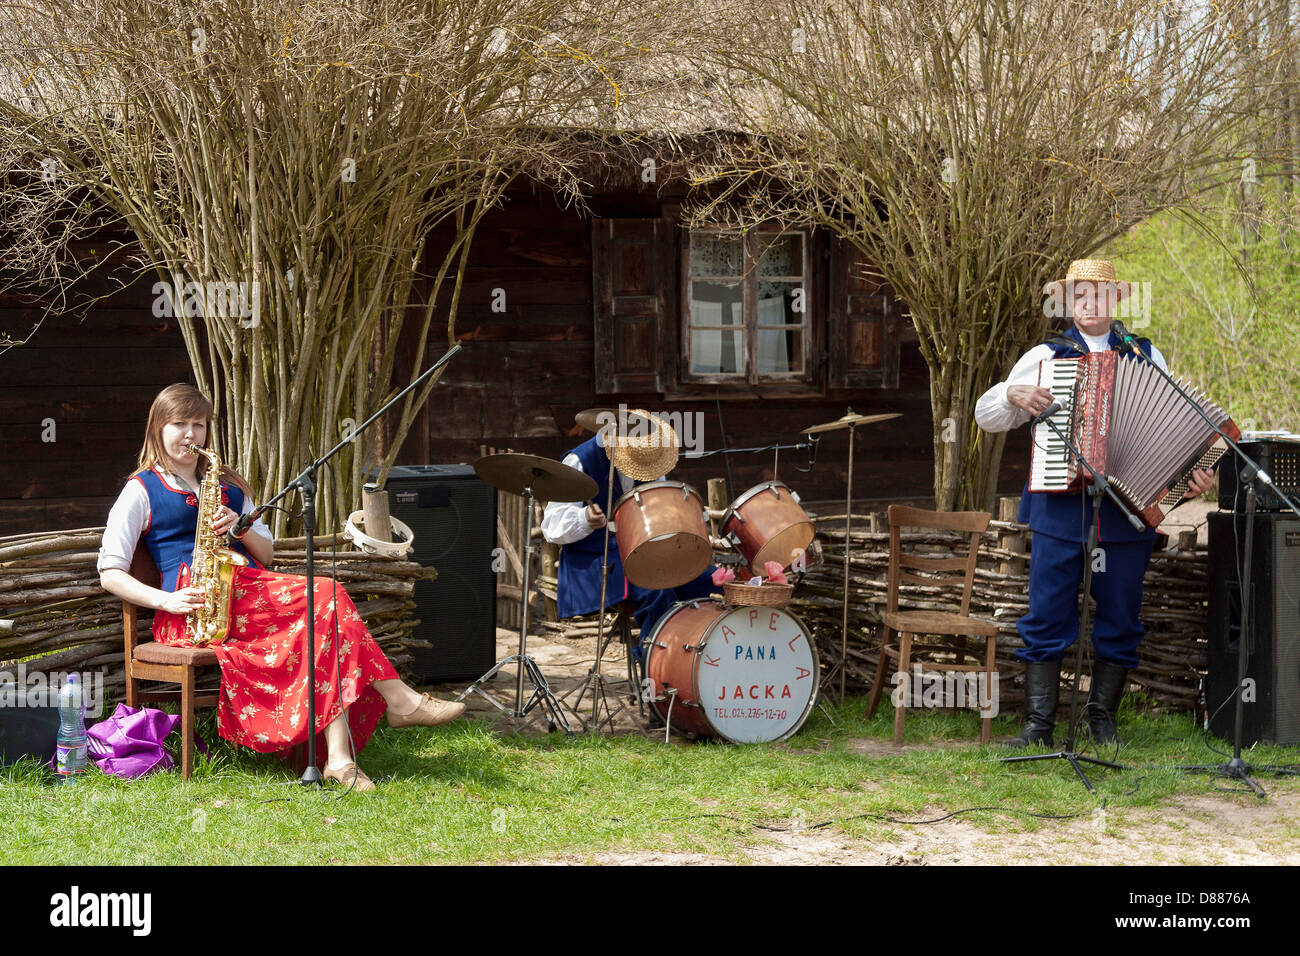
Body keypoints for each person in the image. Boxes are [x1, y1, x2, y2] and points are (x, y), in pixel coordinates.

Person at [97, 383, 465, 791]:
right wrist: (165, 599)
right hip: (195, 612)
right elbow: (109, 571)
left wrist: (240, 523)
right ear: (157, 429)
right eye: (178, 424)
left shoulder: (229, 485)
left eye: (198, 425)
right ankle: (394, 705)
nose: (190, 435)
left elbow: (267, 554)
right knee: (327, 598)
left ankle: (341, 761)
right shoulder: (141, 489)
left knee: (326, 615)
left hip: (251, 592)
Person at [974, 260, 1214, 748]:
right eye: (1079, 295)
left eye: (1099, 295)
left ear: (1116, 300)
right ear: (1068, 301)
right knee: (1047, 610)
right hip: (1059, 507)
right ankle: (1038, 726)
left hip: (1126, 510)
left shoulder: (1146, 355)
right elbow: (985, 417)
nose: (1088, 304)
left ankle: (1101, 719)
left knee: (1122, 613)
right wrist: (1010, 393)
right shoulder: (1046, 354)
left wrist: (1192, 478)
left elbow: (1171, 429)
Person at [540, 409, 715, 647]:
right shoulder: (581, 460)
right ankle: (652, 666)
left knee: (709, 580)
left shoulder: (652, 457)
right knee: (657, 590)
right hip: (597, 558)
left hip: (648, 552)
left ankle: (694, 658)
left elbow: (661, 511)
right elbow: (551, 525)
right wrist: (584, 519)